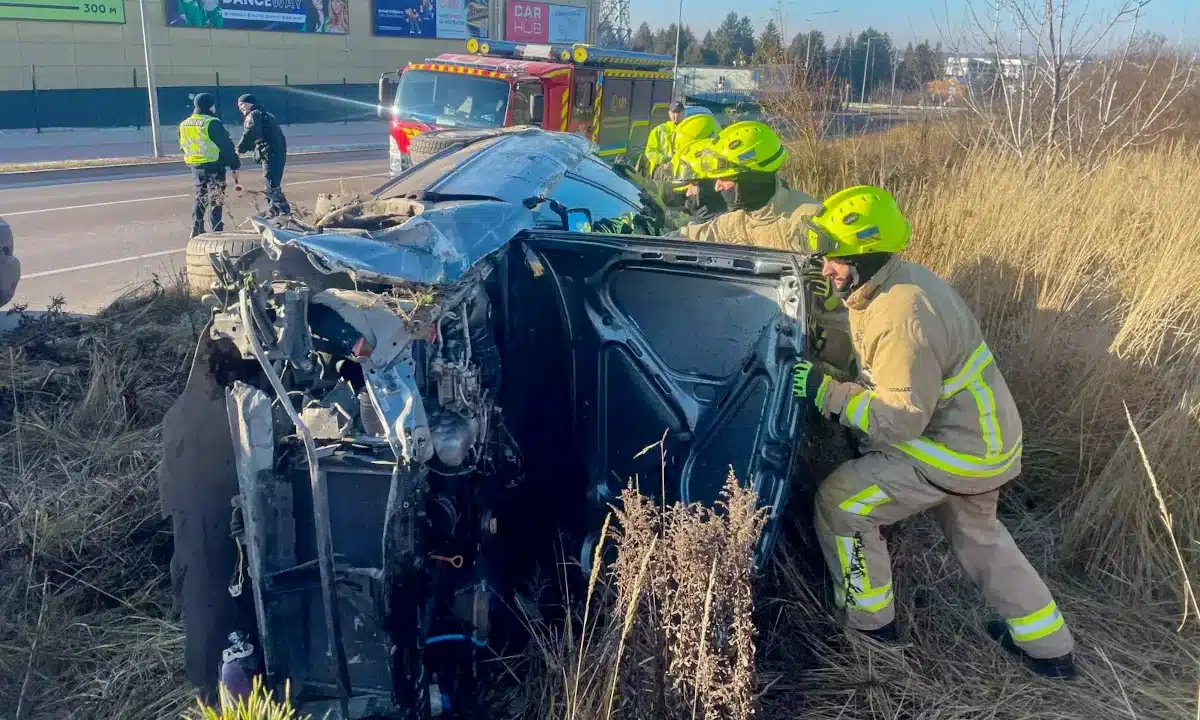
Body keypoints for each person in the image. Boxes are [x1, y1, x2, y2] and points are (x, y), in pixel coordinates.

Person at [790, 185, 1076, 680]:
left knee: (842, 504)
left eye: (834, 257)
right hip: (983, 441)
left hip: (954, 450)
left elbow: (900, 419)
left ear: (867, 253)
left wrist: (825, 393)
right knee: (980, 538)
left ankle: (870, 633)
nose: (825, 267)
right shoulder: (894, 284)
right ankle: (1049, 647)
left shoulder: (902, 314)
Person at [671, 120, 820, 249]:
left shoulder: (808, 220)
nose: (717, 187)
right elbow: (692, 235)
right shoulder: (736, 221)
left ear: (750, 179)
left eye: (725, 178)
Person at [178, 93, 240, 239]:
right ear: (209, 106)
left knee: (200, 196)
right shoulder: (212, 122)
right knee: (216, 198)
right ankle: (217, 230)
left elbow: (182, 145)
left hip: (196, 165)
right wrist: (235, 166)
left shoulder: (184, 124)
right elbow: (226, 147)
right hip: (214, 164)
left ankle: (196, 227)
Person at [236, 94, 291, 218]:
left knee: (271, 184)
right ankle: (274, 210)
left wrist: (240, 149)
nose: (240, 108)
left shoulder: (254, 115)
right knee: (272, 182)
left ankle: (284, 211)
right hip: (277, 152)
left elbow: (250, 133)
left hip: (269, 153)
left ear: (250, 103)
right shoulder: (266, 114)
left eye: (241, 104)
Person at [641, 101, 684, 177]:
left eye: (679, 112)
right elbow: (650, 152)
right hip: (661, 172)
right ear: (669, 113)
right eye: (673, 112)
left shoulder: (689, 130)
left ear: (683, 113)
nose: (676, 115)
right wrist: (665, 160)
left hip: (683, 173)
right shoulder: (658, 130)